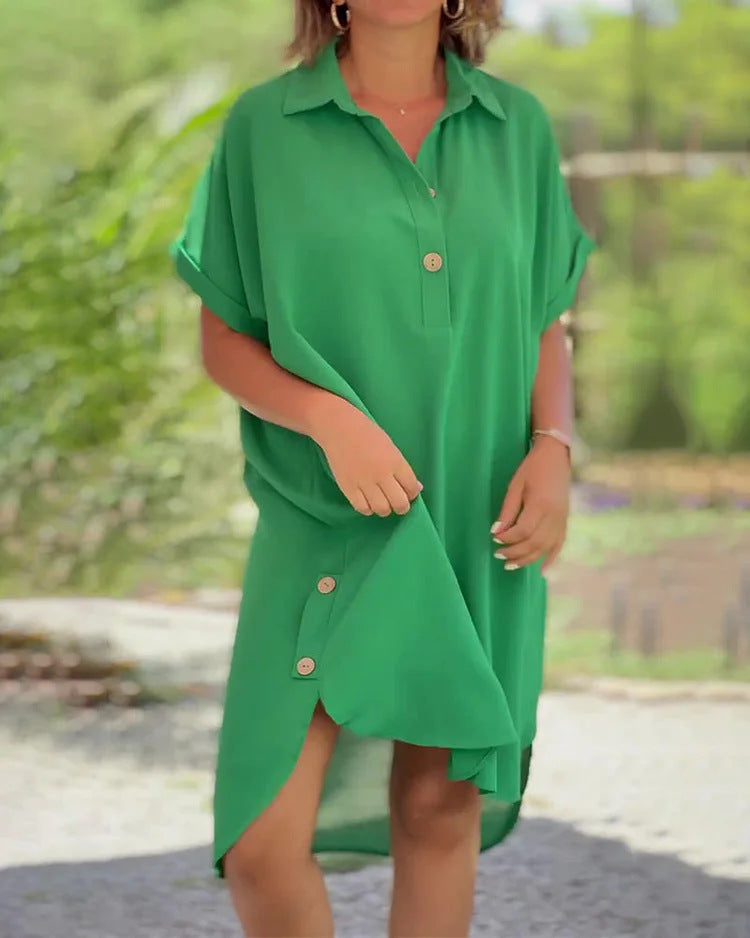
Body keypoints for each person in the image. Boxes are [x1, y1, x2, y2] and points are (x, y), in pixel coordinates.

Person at [169, 1, 597, 935]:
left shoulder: (515, 126)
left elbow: (543, 316)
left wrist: (554, 447)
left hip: (481, 507)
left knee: (438, 807)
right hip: (324, 508)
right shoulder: (264, 128)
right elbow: (226, 339)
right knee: (262, 839)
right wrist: (328, 420)